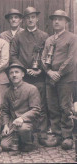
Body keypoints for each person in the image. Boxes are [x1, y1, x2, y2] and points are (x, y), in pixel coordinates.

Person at [10, 6, 49, 146]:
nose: (30, 20)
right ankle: (28, 135)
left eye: (33, 17)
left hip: (39, 77)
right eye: (28, 17)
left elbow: (48, 57)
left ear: (37, 18)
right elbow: (13, 55)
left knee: (41, 106)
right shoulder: (18, 36)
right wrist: (22, 70)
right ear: (24, 20)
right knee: (25, 107)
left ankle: (42, 135)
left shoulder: (44, 36)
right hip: (23, 78)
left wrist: (41, 71)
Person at [41, 10, 77, 150]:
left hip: (66, 78)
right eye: (55, 19)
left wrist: (59, 73)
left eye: (60, 19)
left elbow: (71, 59)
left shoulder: (72, 38)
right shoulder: (49, 39)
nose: (56, 22)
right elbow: (43, 58)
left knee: (65, 107)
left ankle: (67, 137)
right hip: (50, 78)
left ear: (66, 22)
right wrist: (49, 72)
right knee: (53, 107)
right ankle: (56, 135)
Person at [1, 63, 41, 152]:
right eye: (11, 73)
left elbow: (36, 109)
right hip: (13, 123)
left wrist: (22, 118)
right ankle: (18, 139)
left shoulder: (31, 89)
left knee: (23, 129)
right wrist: (6, 125)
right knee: (4, 146)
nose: (14, 75)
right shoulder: (7, 91)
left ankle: (29, 142)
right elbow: (5, 111)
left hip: (28, 122)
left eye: (17, 72)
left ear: (22, 74)